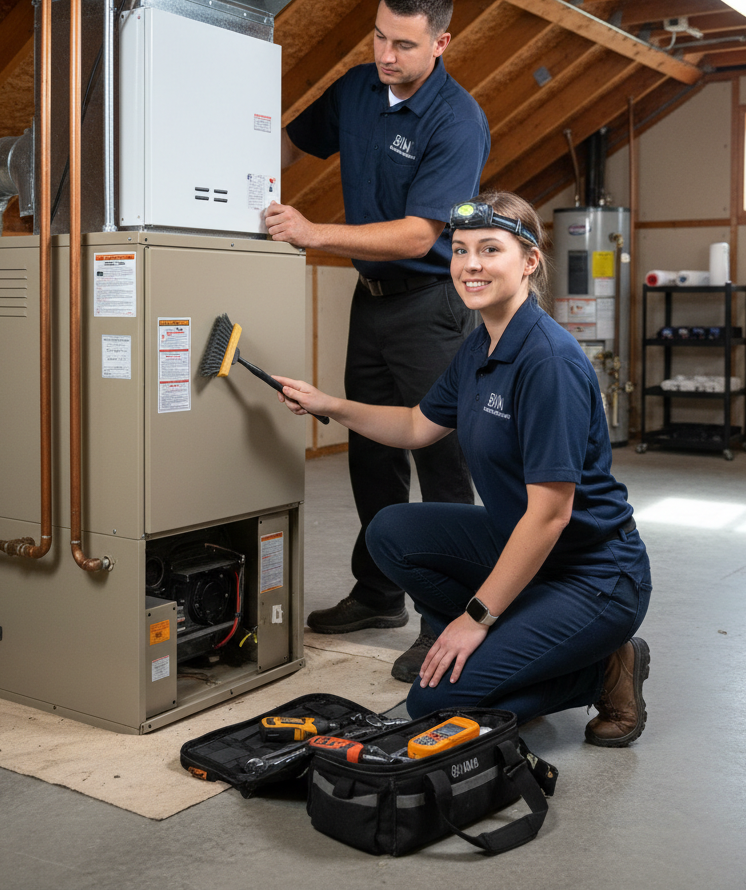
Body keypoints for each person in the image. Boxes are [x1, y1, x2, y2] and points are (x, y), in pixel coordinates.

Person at [272, 190, 652, 744]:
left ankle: (604, 669)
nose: (470, 265)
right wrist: (328, 404)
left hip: (592, 574)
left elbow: (549, 516)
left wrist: (475, 619)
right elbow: (414, 426)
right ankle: (520, 643)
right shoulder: (479, 346)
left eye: (490, 249)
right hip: (521, 550)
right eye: (460, 250)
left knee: (436, 701)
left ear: (529, 261)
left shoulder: (548, 361)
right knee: (391, 531)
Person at [265, 0, 491, 682]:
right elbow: (291, 145)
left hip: (432, 307)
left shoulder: (457, 120)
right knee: (369, 449)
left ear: (441, 42)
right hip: (372, 300)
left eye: (402, 44)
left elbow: (422, 234)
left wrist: (310, 232)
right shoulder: (357, 90)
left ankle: (445, 619)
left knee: (442, 462)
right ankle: (378, 592)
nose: (385, 54)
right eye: (377, 36)